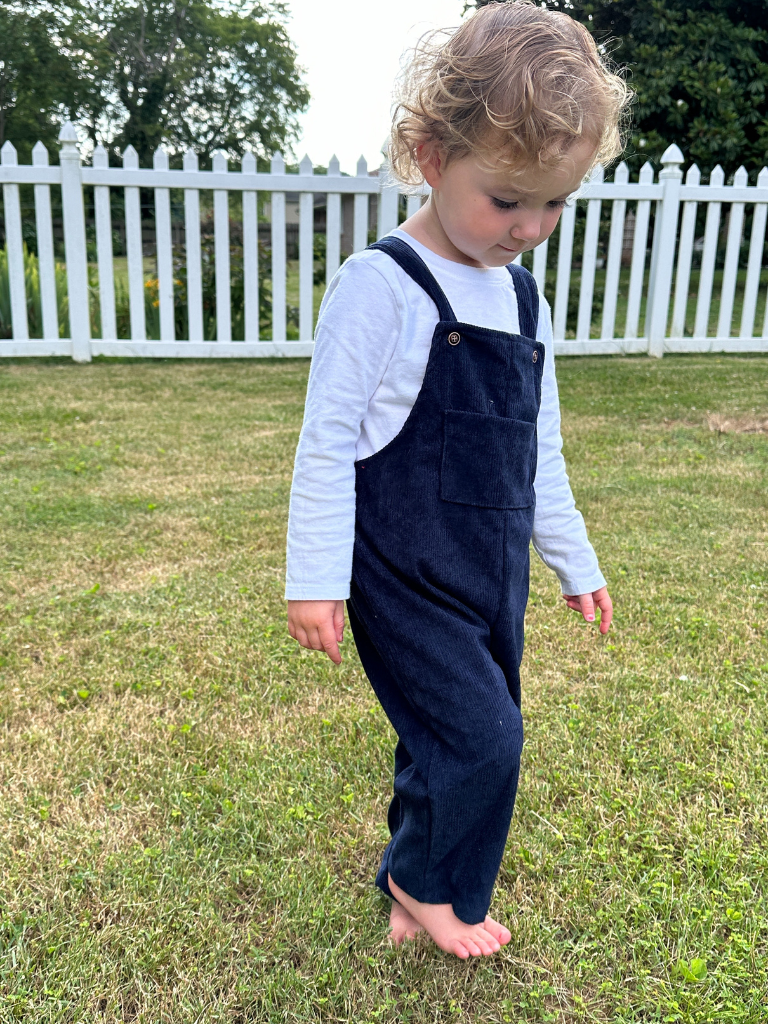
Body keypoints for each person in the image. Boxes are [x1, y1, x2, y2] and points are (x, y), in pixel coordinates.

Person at [285, 0, 628, 959]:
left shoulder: (522, 295)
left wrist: (574, 558)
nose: (528, 228)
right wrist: (315, 577)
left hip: (488, 571)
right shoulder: (380, 287)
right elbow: (326, 445)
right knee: (485, 740)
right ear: (432, 155)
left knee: (443, 737)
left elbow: (537, 447)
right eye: (506, 198)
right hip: (401, 575)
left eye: (554, 203)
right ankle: (430, 885)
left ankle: (407, 883)